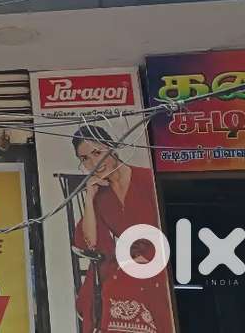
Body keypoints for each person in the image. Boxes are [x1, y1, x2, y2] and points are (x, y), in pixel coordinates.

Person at [71, 125, 172, 333]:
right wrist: (89, 197)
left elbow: (174, 226)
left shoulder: (148, 179)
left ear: (112, 147)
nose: (93, 164)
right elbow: (90, 242)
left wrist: (150, 257)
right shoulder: (100, 194)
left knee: (124, 287)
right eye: (85, 159)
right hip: (125, 261)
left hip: (164, 257)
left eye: (97, 153)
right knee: (113, 286)